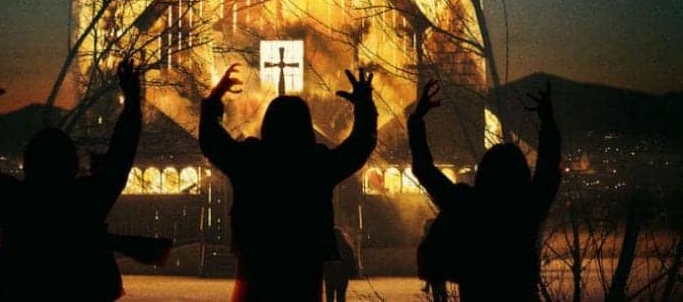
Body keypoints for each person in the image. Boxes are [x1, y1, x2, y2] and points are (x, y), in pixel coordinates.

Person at [0, 60, 143, 301]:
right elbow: (121, 156)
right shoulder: (86, 200)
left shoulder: (13, 202)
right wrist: (132, 102)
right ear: (72, 164)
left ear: (28, 163)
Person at [199, 64, 377, 302]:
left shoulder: (250, 161)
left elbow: (212, 140)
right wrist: (365, 107)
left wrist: (214, 100)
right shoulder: (316, 165)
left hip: (256, 267)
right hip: (304, 269)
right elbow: (359, 147)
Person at [409, 80, 561, 301]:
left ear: (484, 172)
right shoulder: (529, 207)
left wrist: (416, 120)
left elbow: (424, 169)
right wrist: (547, 122)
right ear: (521, 174)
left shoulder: (466, 205)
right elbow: (549, 167)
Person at [324, 227, 358, 302]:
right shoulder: (346, 247)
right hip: (342, 277)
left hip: (330, 277)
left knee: (330, 297)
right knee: (341, 297)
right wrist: (352, 273)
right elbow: (351, 261)